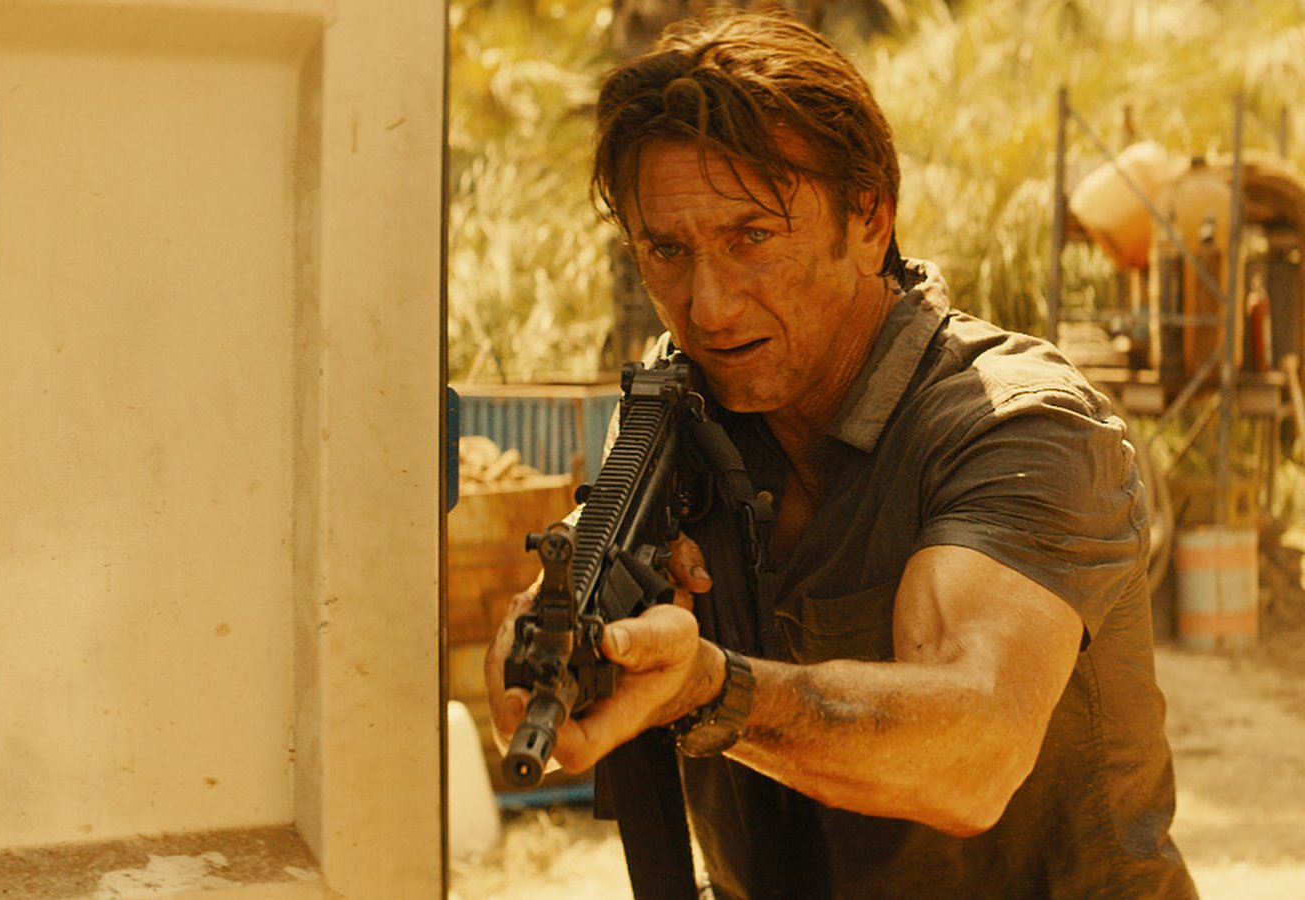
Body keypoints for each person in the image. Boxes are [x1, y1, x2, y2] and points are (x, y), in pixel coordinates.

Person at [484, 9, 1196, 898]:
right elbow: (577, 591)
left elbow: (974, 756)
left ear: (869, 219)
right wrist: (549, 637)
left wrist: (710, 690)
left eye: (752, 237)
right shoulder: (683, 403)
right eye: (666, 250)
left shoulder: (1022, 427)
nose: (708, 307)